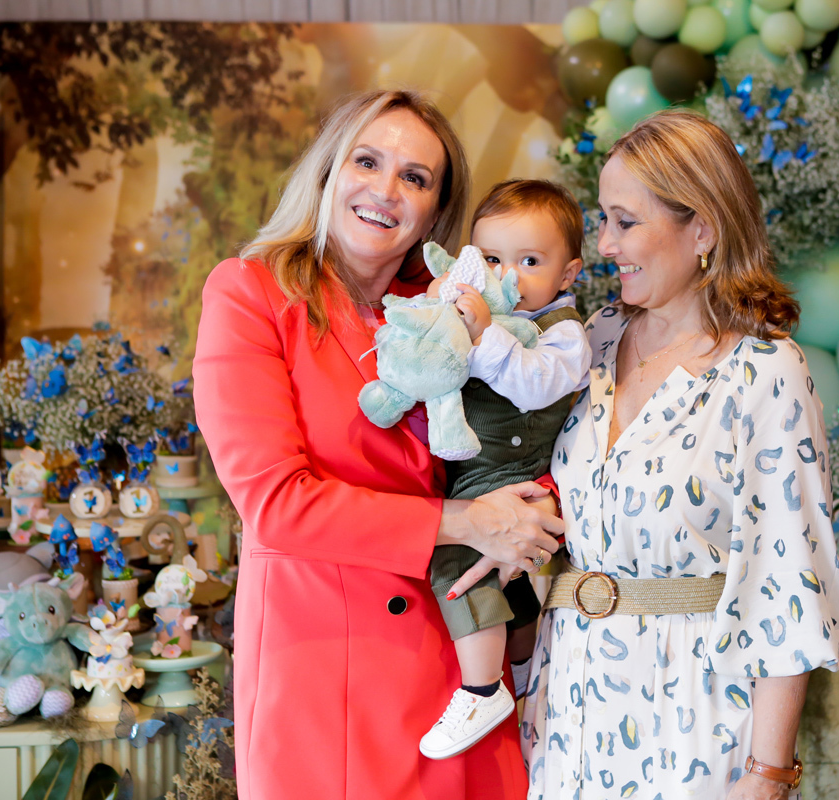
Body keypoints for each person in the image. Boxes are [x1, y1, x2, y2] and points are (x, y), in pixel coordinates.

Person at [192, 89, 563, 800]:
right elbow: (277, 505)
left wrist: (532, 507)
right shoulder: (252, 293)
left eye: (414, 178)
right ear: (329, 172)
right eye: (367, 162)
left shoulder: (456, 309)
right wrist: (467, 522)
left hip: (460, 663)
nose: (386, 190)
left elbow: (525, 431)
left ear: (435, 214)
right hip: (328, 675)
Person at [520, 110, 839, 799]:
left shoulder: (765, 371)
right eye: (603, 220)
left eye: (625, 221)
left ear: (702, 229)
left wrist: (768, 773)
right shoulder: (592, 339)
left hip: (693, 720)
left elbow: (786, 583)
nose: (605, 244)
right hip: (565, 712)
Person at [418, 180, 592, 760]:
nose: (508, 275)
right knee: (508, 584)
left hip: (512, 470)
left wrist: (484, 333)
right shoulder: (484, 311)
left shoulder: (564, 332)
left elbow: (534, 384)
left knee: (457, 563)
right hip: (478, 465)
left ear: (567, 274)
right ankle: (519, 668)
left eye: (530, 261)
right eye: (492, 259)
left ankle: (480, 689)